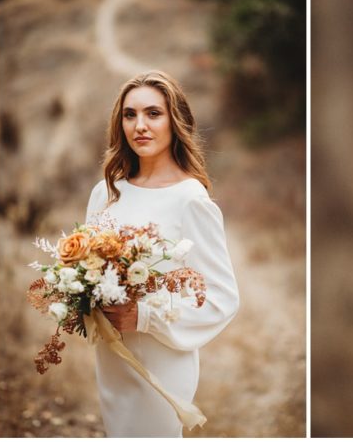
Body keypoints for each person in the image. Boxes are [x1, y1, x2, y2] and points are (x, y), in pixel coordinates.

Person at [85, 71, 240, 437]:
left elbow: (223, 298)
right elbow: (87, 273)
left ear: (175, 121)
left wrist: (145, 316)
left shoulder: (190, 199)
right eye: (130, 114)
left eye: (154, 113)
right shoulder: (105, 194)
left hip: (161, 361)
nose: (140, 125)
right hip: (111, 359)